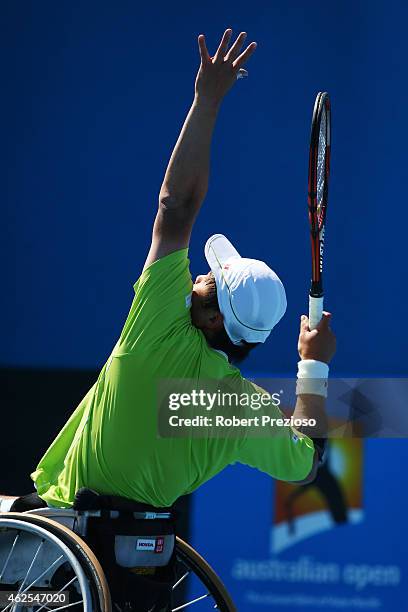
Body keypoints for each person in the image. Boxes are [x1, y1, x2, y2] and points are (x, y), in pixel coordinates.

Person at [12, 28, 336, 609]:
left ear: (212, 320)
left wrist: (207, 99)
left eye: (209, 279)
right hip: (138, 572)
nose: (197, 276)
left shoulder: (157, 330)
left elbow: (175, 207)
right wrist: (312, 366)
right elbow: (306, 459)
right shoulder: (237, 408)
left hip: (61, 549)